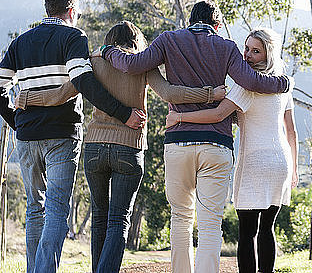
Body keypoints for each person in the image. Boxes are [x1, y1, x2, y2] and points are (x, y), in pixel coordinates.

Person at [15, 20, 226, 273]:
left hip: (94, 149)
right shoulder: (142, 66)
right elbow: (170, 94)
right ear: (137, 40)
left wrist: (27, 98)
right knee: (118, 220)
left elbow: (60, 94)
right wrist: (209, 94)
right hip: (129, 148)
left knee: (99, 219)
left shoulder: (93, 61)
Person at [98, 1, 292, 273]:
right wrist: (283, 83)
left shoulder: (169, 40)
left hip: (178, 143)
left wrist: (108, 51)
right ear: (217, 25)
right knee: (211, 221)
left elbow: (131, 65)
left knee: (180, 218)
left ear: (190, 20)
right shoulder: (226, 47)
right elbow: (252, 81)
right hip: (216, 146)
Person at [0, 0, 145, 273]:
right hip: (62, 134)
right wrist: (124, 113)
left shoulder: (21, 42)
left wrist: (17, 122)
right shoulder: (73, 36)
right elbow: (83, 81)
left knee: (34, 209)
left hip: (27, 136)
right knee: (56, 210)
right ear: (70, 10)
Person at [165, 28, 298, 273]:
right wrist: (295, 169)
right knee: (267, 227)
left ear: (268, 53)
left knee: (247, 232)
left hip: (255, 162)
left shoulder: (246, 85)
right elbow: (291, 131)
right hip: (281, 161)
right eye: (246, 48)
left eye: (255, 51)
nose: (247, 55)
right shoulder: (283, 84)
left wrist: (179, 117)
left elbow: (217, 114)